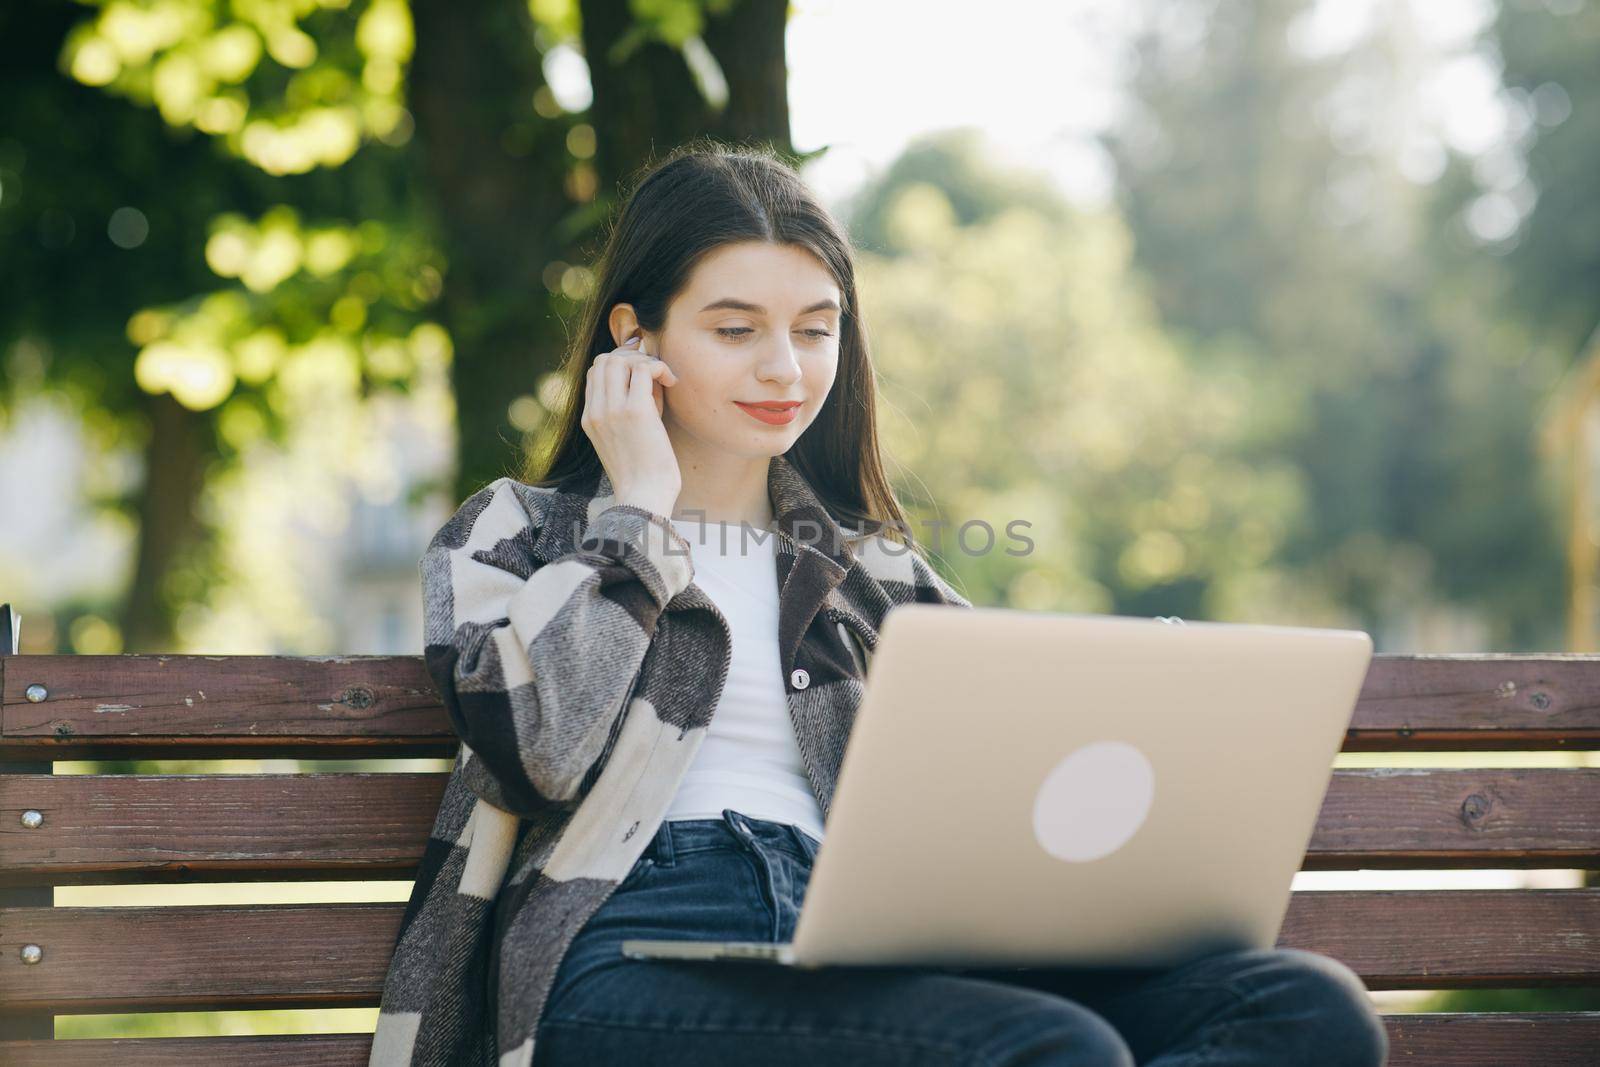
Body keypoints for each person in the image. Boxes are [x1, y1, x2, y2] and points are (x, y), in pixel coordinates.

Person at [370, 141, 1390, 1067]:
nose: (785, 367)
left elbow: (1005, 780)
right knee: (1048, 1047)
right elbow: (532, 745)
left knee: (1298, 1009)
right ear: (634, 337)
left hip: (859, 942)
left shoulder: (879, 570)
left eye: (815, 330)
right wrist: (637, 511)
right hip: (625, 954)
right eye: (736, 329)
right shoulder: (521, 528)